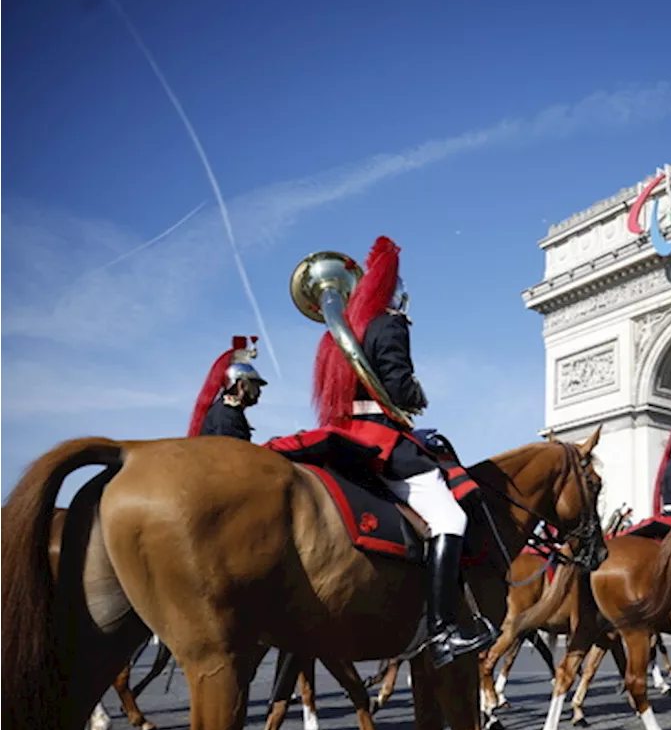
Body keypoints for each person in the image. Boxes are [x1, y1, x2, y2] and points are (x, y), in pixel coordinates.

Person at [312, 235, 493, 669]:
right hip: (378, 438)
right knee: (452, 518)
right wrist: (416, 394)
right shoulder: (388, 322)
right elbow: (397, 386)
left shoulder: (335, 335)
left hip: (341, 437)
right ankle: (443, 629)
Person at [187, 336, 267, 440]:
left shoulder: (229, 410)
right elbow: (233, 451)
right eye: (255, 386)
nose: (259, 392)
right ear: (241, 385)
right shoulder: (228, 413)